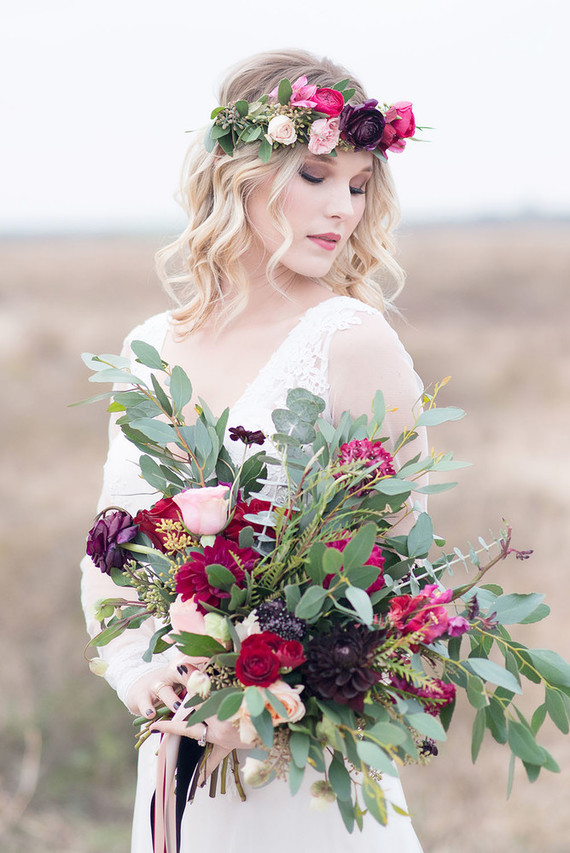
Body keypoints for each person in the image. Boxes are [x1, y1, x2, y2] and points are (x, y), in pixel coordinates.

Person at [81, 48, 427, 853]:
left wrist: (276, 682)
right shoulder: (149, 348)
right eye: (314, 174)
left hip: (300, 755)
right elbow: (113, 539)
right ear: (240, 172)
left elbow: (403, 568)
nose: (340, 207)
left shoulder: (353, 339)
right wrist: (140, 671)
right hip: (176, 740)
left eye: (357, 185)